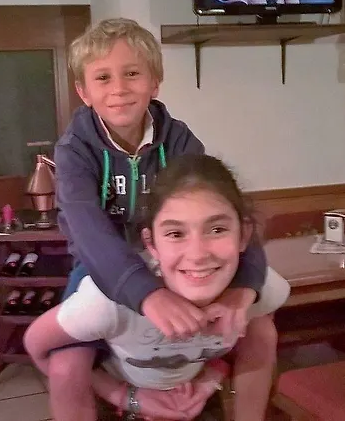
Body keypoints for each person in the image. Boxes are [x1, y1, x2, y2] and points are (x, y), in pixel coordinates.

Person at [29, 17, 282, 421]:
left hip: (171, 256)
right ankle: (117, 392)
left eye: (132, 73)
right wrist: (147, 293)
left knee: (262, 330)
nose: (118, 88)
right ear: (83, 92)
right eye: (103, 78)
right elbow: (88, 232)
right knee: (66, 367)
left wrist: (245, 288)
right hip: (101, 266)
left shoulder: (179, 139)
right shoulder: (74, 149)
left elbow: (225, 208)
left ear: (155, 82)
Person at [24, 154, 290, 420]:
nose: (198, 254)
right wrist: (124, 396)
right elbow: (37, 344)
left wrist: (212, 377)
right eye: (176, 234)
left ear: (244, 235)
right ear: (151, 244)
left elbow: (256, 342)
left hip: (194, 392)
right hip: (110, 401)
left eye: (217, 229)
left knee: (263, 330)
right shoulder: (106, 302)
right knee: (66, 362)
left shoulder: (260, 291)